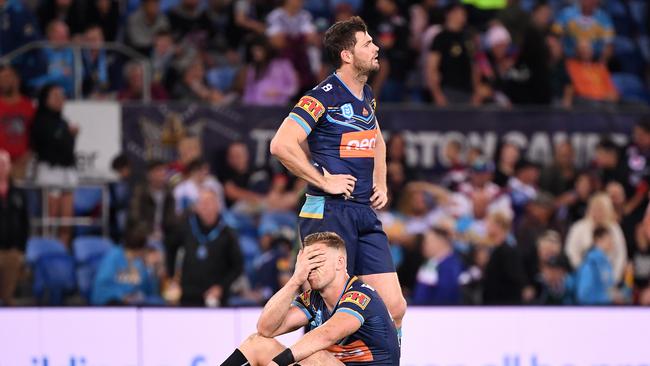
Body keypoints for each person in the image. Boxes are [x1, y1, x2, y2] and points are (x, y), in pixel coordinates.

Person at [269, 16, 407, 336]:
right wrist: (323, 180)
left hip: (362, 211)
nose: (377, 47)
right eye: (367, 43)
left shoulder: (366, 93)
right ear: (347, 55)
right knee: (326, 312)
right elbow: (281, 144)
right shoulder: (321, 97)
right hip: (327, 211)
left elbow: (377, 139)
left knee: (394, 308)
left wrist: (381, 180)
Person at [220, 231, 400, 366]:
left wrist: (277, 363)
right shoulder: (313, 297)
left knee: (316, 358)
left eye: (317, 260)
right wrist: (295, 280)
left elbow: (327, 335)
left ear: (340, 262)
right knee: (258, 343)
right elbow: (266, 328)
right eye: (307, 261)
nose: (310, 268)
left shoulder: (360, 295)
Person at [172, 189, 243, 307]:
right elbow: (171, 251)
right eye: (202, 203)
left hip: (215, 299)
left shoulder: (228, 233)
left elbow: (237, 266)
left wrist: (221, 287)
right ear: (196, 207)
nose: (206, 207)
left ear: (218, 205)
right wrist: (172, 278)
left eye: (210, 202)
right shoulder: (185, 228)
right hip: (187, 296)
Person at [30, 84, 78, 245]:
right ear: (45, 99)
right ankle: (47, 249)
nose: (60, 100)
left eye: (62, 96)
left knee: (67, 221)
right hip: (50, 171)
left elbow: (67, 149)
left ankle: (63, 251)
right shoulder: (40, 121)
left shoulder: (63, 122)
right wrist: (66, 134)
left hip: (67, 171)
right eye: (55, 96)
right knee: (50, 219)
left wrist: (71, 135)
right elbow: (46, 146)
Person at [91, 223, 164, 305]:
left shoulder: (142, 262)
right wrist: (121, 296)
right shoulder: (113, 257)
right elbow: (101, 289)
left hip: (137, 306)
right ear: (141, 249)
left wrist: (153, 270)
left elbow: (150, 292)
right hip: (114, 306)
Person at [0, 150, 29, 306]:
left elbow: (25, 223)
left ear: (10, 167)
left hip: (12, 251)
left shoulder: (18, 193)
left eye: (4, 163)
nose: (1, 167)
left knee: (8, 297)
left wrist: (21, 249)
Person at [0, 65, 35, 180]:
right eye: (2, 78)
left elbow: (36, 135)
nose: (5, 81)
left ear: (17, 79)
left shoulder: (28, 106)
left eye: (8, 77)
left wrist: (26, 156)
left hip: (22, 165)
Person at [575, 226, 624, 305]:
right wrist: (609, 298)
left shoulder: (606, 263)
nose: (612, 242)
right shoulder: (590, 264)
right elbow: (583, 295)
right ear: (598, 240)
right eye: (609, 238)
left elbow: (609, 288)